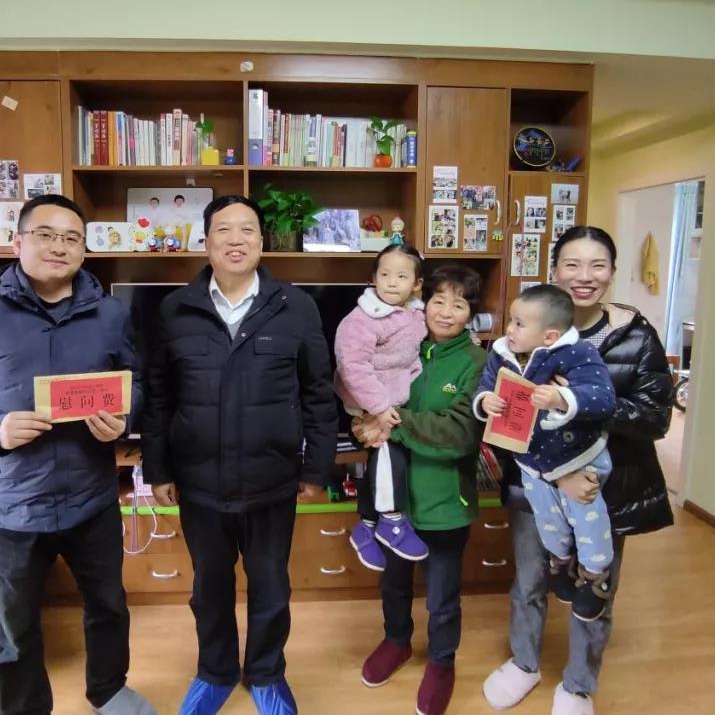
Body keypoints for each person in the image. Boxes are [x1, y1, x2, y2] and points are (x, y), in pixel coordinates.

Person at [0, 194, 154, 715]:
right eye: (45, 235)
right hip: (14, 507)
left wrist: (124, 418)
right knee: (15, 626)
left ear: (84, 250)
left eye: (71, 238)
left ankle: (109, 691)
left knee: (108, 607)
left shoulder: (111, 315)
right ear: (18, 242)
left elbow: (135, 384)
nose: (58, 247)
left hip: (92, 498)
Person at [140, 195, 337, 715]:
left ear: (261, 242)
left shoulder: (296, 307)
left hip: (272, 479)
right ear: (206, 242)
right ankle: (216, 671)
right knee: (209, 588)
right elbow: (159, 397)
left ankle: (267, 672)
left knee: (271, 585)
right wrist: (157, 468)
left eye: (247, 229)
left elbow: (318, 394)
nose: (235, 239)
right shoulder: (175, 309)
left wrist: (317, 468)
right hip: (199, 481)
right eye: (223, 229)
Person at [482, 226, 674, 715]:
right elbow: (503, 409)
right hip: (534, 482)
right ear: (554, 270)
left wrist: (580, 403)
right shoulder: (524, 332)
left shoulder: (636, 336)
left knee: (595, 584)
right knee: (529, 579)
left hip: (601, 487)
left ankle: (578, 685)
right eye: (572, 264)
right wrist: (550, 466)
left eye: (597, 265)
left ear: (612, 272)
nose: (584, 276)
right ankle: (524, 662)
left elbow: (655, 418)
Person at [352, 265, 488, 715]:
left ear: (471, 313)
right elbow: (365, 396)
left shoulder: (477, 363)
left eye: (459, 304)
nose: (445, 312)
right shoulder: (402, 346)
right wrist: (363, 423)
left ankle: (442, 662)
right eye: (438, 301)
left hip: (446, 502)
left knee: (442, 597)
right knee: (393, 584)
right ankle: (397, 641)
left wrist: (392, 423)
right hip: (395, 504)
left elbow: (459, 432)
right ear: (422, 302)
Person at [473, 284, 616, 622]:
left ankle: (595, 577)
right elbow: (486, 384)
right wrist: (485, 400)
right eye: (511, 320)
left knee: (588, 519)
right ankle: (561, 562)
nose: (509, 329)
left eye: (519, 324)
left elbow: (603, 398)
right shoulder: (502, 353)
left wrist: (561, 398)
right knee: (548, 522)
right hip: (532, 462)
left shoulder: (578, 354)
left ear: (549, 336)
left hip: (577, 458)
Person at [335, 244, 429, 569]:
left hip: (395, 397)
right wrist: (377, 406)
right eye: (384, 274)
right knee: (386, 447)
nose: (391, 282)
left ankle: (367, 526)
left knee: (386, 457)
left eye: (401, 276)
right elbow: (352, 367)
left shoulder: (415, 312)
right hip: (369, 399)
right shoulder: (362, 319)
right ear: (373, 278)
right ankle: (391, 520)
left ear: (416, 284)